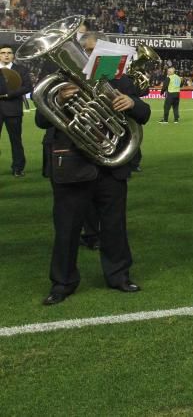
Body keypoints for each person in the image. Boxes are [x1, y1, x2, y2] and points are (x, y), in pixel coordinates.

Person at [37, 64, 150, 305]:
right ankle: (62, 282)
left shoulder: (119, 80)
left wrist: (132, 103)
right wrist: (58, 97)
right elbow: (40, 120)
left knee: (114, 225)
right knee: (67, 228)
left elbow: (144, 113)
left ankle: (118, 275)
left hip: (111, 166)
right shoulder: (58, 78)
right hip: (71, 164)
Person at [0, 43, 33, 176]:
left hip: (13, 110)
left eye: (9, 53)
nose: (6, 55)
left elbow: (27, 87)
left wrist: (9, 95)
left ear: (13, 56)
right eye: (3, 53)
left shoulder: (21, 69)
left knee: (16, 140)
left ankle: (18, 168)